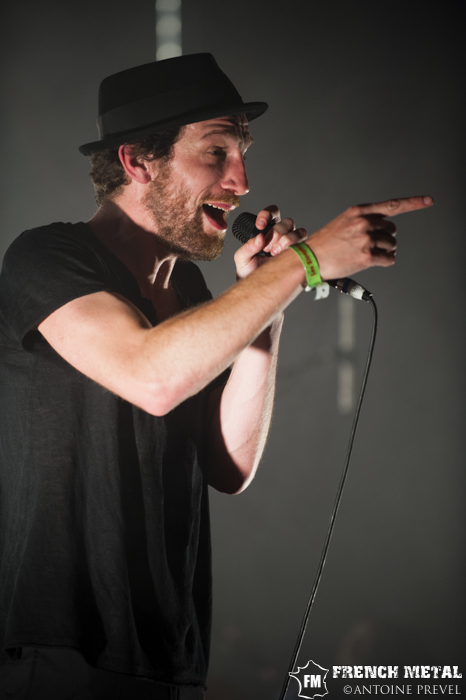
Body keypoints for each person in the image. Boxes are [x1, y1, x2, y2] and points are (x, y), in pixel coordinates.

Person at [0, 53, 432, 699]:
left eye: (243, 154)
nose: (242, 181)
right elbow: (152, 377)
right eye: (216, 152)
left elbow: (229, 468)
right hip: (64, 652)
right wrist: (305, 262)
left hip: (173, 657)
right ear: (138, 162)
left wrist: (269, 305)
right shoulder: (47, 257)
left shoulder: (194, 292)